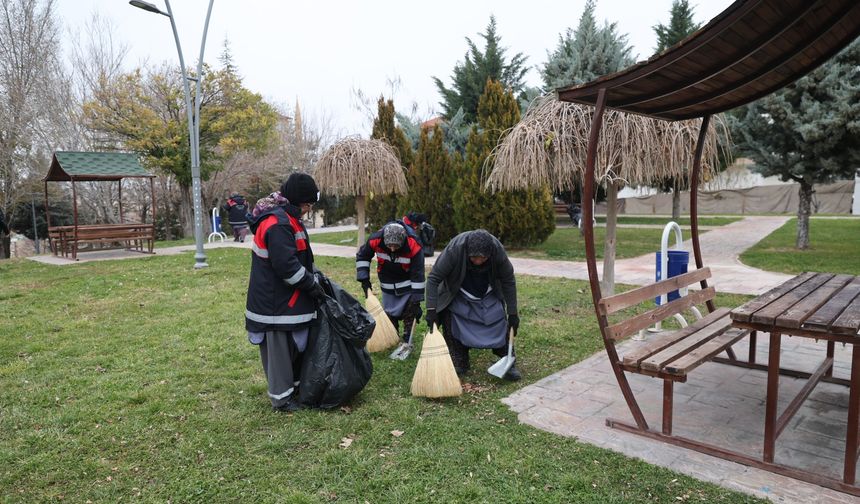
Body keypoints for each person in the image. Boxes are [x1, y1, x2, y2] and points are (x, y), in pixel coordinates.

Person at [245, 172, 325, 412]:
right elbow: (287, 267)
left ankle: (295, 389)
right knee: (279, 354)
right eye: (309, 205)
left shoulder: (286, 218)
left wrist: (315, 277)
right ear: (300, 202)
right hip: (274, 306)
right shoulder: (278, 223)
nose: (309, 210)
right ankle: (282, 399)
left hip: (284, 302)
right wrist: (312, 285)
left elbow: (298, 257)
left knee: (294, 348)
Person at [424, 229, 521, 380]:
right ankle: (459, 359)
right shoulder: (454, 249)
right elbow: (433, 279)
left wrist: (513, 313)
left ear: (489, 254)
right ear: (468, 252)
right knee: (453, 322)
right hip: (459, 291)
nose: (478, 261)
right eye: (474, 257)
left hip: (487, 290)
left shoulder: (497, 251)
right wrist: (431, 309)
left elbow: (508, 280)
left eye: (482, 258)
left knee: (498, 320)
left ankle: (507, 360)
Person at [356, 220, 425, 357]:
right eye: (389, 246)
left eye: (396, 246)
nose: (392, 249)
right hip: (387, 281)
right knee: (390, 314)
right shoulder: (376, 239)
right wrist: (364, 279)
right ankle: (392, 336)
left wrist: (417, 301)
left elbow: (418, 274)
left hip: (407, 283)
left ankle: (407, 339)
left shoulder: (413, 245)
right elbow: (363, 255)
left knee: (409, 311)